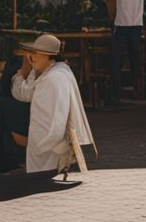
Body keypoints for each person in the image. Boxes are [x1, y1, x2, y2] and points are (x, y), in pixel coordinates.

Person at [8, 34, 95, 174]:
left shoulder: (52, 79)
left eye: (37, 54)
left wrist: (20, 75)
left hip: (49, 142)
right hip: (52, 140)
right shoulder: (56, 70)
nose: (32, 57)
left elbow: (45, 118)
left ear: (49, 56)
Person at [106, 0, 144, 106]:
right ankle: (138, 91)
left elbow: (111, 6)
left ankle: (115, 96)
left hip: (121, 27)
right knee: (135, 60)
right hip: (136, 26)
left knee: (117, 62)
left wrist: (112, 21)